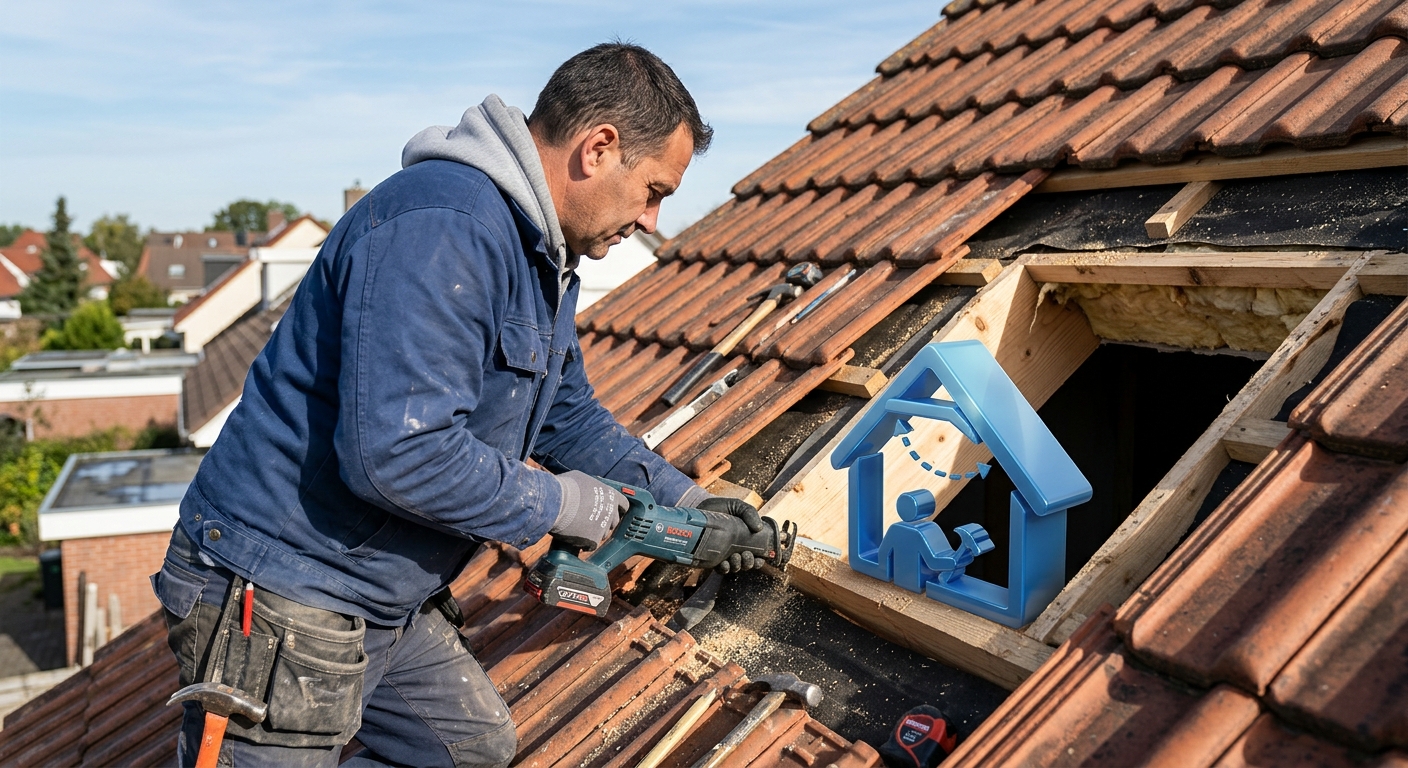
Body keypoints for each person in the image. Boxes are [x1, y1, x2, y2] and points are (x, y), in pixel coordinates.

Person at [151, 42, 759, 768]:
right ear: (599, 147)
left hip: (379, 588)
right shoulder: (448, 227)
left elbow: (565, 415)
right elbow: (397, 454)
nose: (655, 219)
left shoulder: (539, 254)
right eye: (655, 189)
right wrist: (564, 506)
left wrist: (688, 501)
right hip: (284, 587)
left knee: (463, 749)